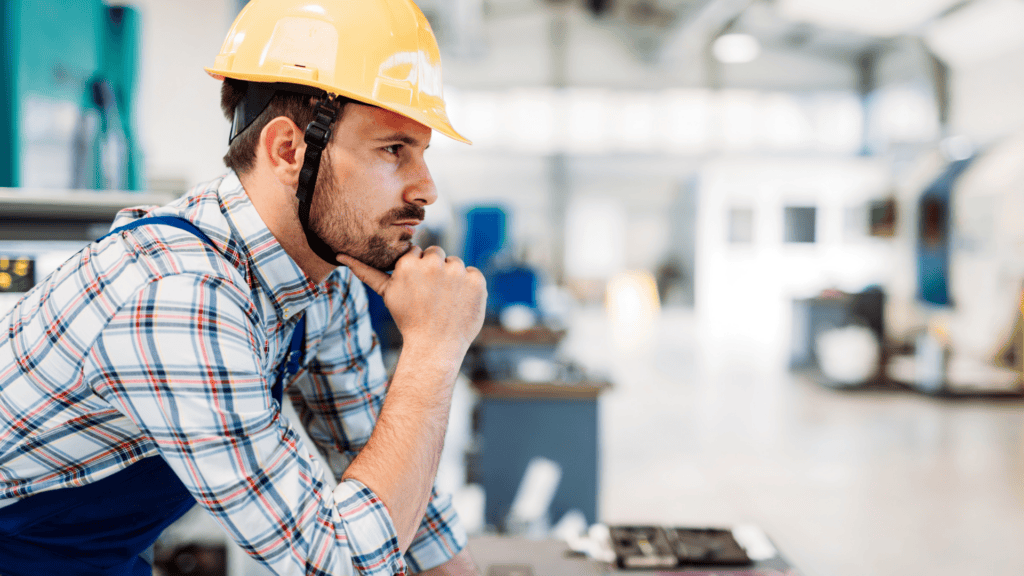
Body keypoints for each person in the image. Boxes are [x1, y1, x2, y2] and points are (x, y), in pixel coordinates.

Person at [0, 1, 486, 574]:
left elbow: (379, 456)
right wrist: (433, 350)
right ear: (288, 151)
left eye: (423, 153)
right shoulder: (177, 296)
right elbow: (335, 564)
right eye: (393, 150)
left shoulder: (327, 280)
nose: (426, 188)